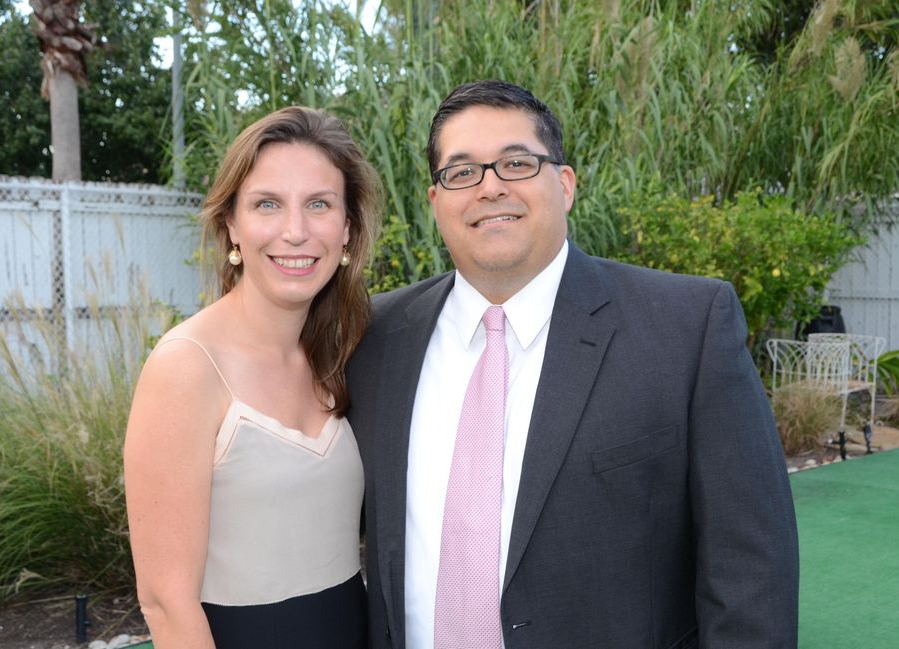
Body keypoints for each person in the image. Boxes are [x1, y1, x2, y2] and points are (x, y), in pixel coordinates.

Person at [346, 80, 799, 649]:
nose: (489, 188)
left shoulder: (688, 328)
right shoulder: (374, 336)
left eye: (515, 162)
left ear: (564, 185)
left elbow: (752, 571)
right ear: (436, 201)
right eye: (461, 172)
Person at [124, 106, 381, 649]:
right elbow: (166, 602)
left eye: (319, 204)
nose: (295, 231)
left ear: (347, 230)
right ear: (232, 226)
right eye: (268, 204)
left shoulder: (342, 352)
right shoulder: (187, 366)